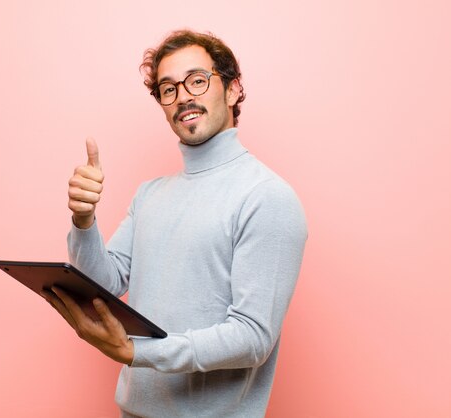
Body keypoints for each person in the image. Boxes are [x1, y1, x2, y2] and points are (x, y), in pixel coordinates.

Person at [42, 29, 308, 418]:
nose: (183, 96)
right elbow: (106, 284)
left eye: (197, 81)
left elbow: (253, 337)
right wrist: (83, 221)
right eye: (168, 89)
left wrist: (139, 352)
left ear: (233, 90)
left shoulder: (267, 197)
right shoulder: (150, 194)